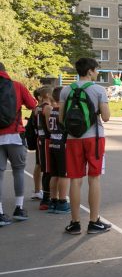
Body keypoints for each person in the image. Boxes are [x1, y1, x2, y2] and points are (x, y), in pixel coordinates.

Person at [59, 58, 110, 235]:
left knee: (75, 179)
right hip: (94, 138)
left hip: (73, 139)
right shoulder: (98, 90)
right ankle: (94, 221)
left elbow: (61, 118)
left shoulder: (66, 90)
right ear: (89, 71)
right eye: (96, 70)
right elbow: (106, 117)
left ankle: (74, 223)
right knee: (94, 178)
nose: (97, 73)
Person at [0, 65, 38, 225]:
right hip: (15, 135)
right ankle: (19, 208)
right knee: (18, 171)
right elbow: (32, 105)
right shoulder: (17, 86)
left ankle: (0, 212)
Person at [43, 87, 70, 215]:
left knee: (54, 175)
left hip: (52, 143)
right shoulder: (63, 111)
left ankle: (53, 200)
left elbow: (49, 128)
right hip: (62, 145)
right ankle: (62, 202)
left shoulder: (51, 110)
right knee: (64, 175)